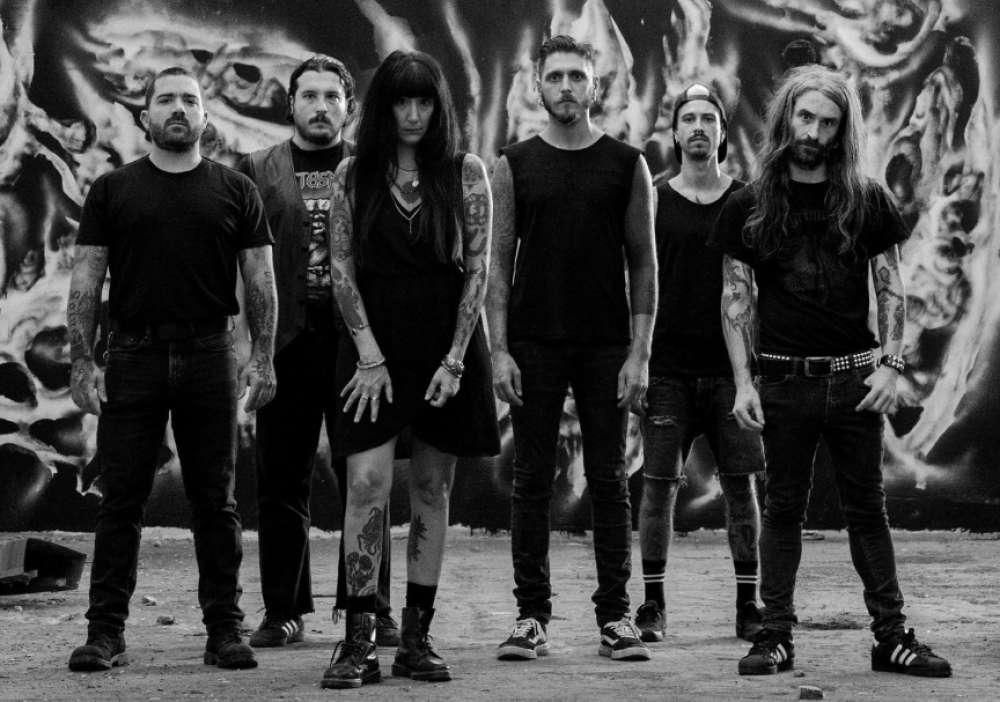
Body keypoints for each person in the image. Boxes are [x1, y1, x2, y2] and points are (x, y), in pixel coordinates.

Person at [713, 64, 951, 678]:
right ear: (786, 118)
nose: (814, 132)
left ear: (842, 131)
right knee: (783, 509)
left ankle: (891, 637)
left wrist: (891, 366)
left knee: (867, 510)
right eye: (805, 117)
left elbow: (890, 285)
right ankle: (774, 635)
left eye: (828, 122)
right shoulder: (749, 203)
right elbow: (736, 296)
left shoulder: (865, 199)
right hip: (782, 380)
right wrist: (743, 383)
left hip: (854, 382)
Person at [66, 66, 277, 671]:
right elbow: (87, 279)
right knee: (121, 501)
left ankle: (224, 631)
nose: (179, 109)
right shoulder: (113, 190)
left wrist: (263, 357)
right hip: (133, 355)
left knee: (217, 502)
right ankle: (105, 632)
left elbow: (260, 279)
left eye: (190, 100)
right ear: (146, 117)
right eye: (166, 100)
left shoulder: (237, 190)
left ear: (205, 117)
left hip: (211, 354)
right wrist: (81, 362)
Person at [319, 50, 499, 689]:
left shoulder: (466, 172)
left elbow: (477, 268)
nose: (414, 114)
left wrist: (456, 359)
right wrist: (368, 355)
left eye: (424, 101)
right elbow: (340, 270)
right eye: (402, 101)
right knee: (366, 482)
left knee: (431, 488)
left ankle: (417, 639)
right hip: (371, 344)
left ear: (438, 106)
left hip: (445, 348)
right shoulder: (352, 174)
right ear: (383, 108)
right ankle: (358, 641)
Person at [487, 35, 658, 662]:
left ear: (595, 86)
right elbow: (497, 265)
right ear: (538, 85)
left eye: (576, 77)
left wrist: (639, 354)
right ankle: (531, 617)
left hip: (606, 345)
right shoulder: (514, 163)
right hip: (533, 343)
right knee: (531, 481)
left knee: (610, 479)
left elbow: (644, 264)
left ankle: (616, 618)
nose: (565, 87)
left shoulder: (627, 164)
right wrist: (498, 350)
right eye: (555, 76)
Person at [237, 55, 397, 649]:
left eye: (333, 96)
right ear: (291, 104)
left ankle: (372, 608)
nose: (321, 106)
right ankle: (283, 609)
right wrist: (249, 348)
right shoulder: (257, 169)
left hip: (358, 349)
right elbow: (242, 265)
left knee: (367, 480)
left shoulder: (373, 168)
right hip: (286, 344)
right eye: (310, 95)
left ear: (349, 108)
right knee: (281, 479)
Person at [635, 83, 763, 644]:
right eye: (688, 119)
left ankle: (749, 604)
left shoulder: (746, 200)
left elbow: (756, 284)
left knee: (741, 486)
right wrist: (636, 359)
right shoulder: (654, 199)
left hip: (732, 374)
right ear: (675, 133)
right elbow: (635, 282)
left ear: (722, 133)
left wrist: (751, 373)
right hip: (667, 370)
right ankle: (652, 604)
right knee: (658, 487)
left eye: (708, 119)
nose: (698, 128)